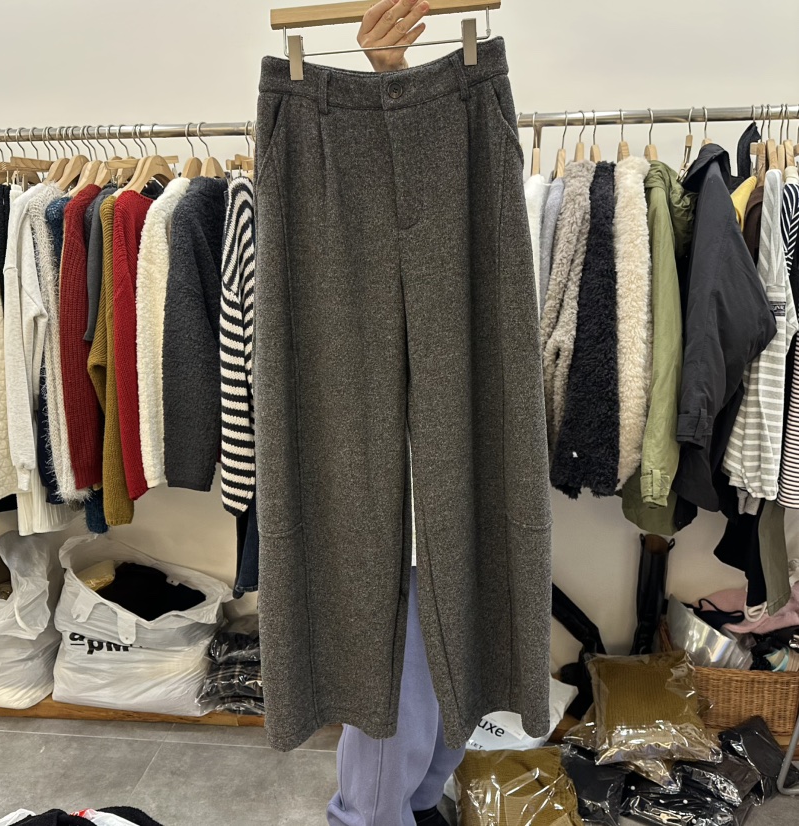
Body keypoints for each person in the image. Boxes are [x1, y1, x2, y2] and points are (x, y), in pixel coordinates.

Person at [326, 4, 466, 825]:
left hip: (450, 492)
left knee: (446, 701)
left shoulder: (480, 164)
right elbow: (391, 193)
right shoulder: (345, 194)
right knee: (394, 704)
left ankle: (414, 806)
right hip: (396, 513)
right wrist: (390, 76)